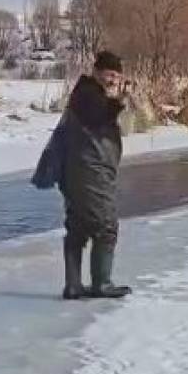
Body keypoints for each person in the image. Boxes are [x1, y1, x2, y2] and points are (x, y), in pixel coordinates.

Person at [61, 49, 132, 300]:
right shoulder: (89, 93)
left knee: (78, 227)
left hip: (80, 171)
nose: (112, 79)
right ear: (96, 72)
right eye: (108, 74)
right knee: (106, 227)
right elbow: (98, 116)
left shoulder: (88, 92)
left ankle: (73, 286)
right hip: (89, 171)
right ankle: (101, 283)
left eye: (116, 75)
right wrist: (118, 103)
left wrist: (118, 101)